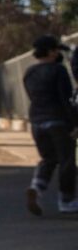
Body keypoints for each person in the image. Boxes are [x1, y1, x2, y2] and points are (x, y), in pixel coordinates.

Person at [22, 35, 78, 215]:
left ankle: (36, 187)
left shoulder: (29, 72)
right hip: (58, 120)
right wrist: (74, 124)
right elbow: (66, 99)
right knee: (67, 160)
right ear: (51, 51)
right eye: (56, 50)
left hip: (37, 121)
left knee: (48, 158)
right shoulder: (58, 70)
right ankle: (67, 200)